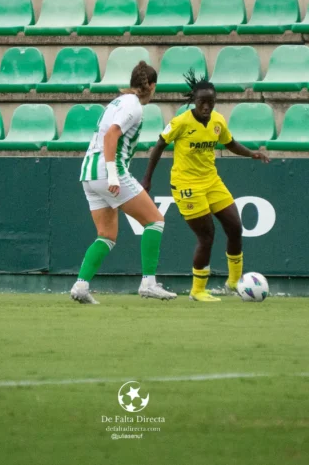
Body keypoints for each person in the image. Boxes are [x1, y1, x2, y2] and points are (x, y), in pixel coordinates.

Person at [142, 71, 270, 302]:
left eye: (211, 102)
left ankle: (234, 282)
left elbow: (230, 143)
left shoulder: (218, 121)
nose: (207, 106)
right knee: (207, 236)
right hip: (186, 185)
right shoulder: (181, 122)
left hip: (211, 181)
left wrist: (251, 154)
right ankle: (197, 290)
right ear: (194, 100)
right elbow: (159, 145)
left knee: (235, 227)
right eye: (202, 101)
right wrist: (147, 179)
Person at [71, 62, 176, 305]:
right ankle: (148, 283)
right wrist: (112, 175)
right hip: (107, 171)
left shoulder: (117, 102)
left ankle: (81, 286)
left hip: (88, 172)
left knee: (106, 235)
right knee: (155, 221)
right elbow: (112, 135)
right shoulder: (133, 105)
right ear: (152, 86)